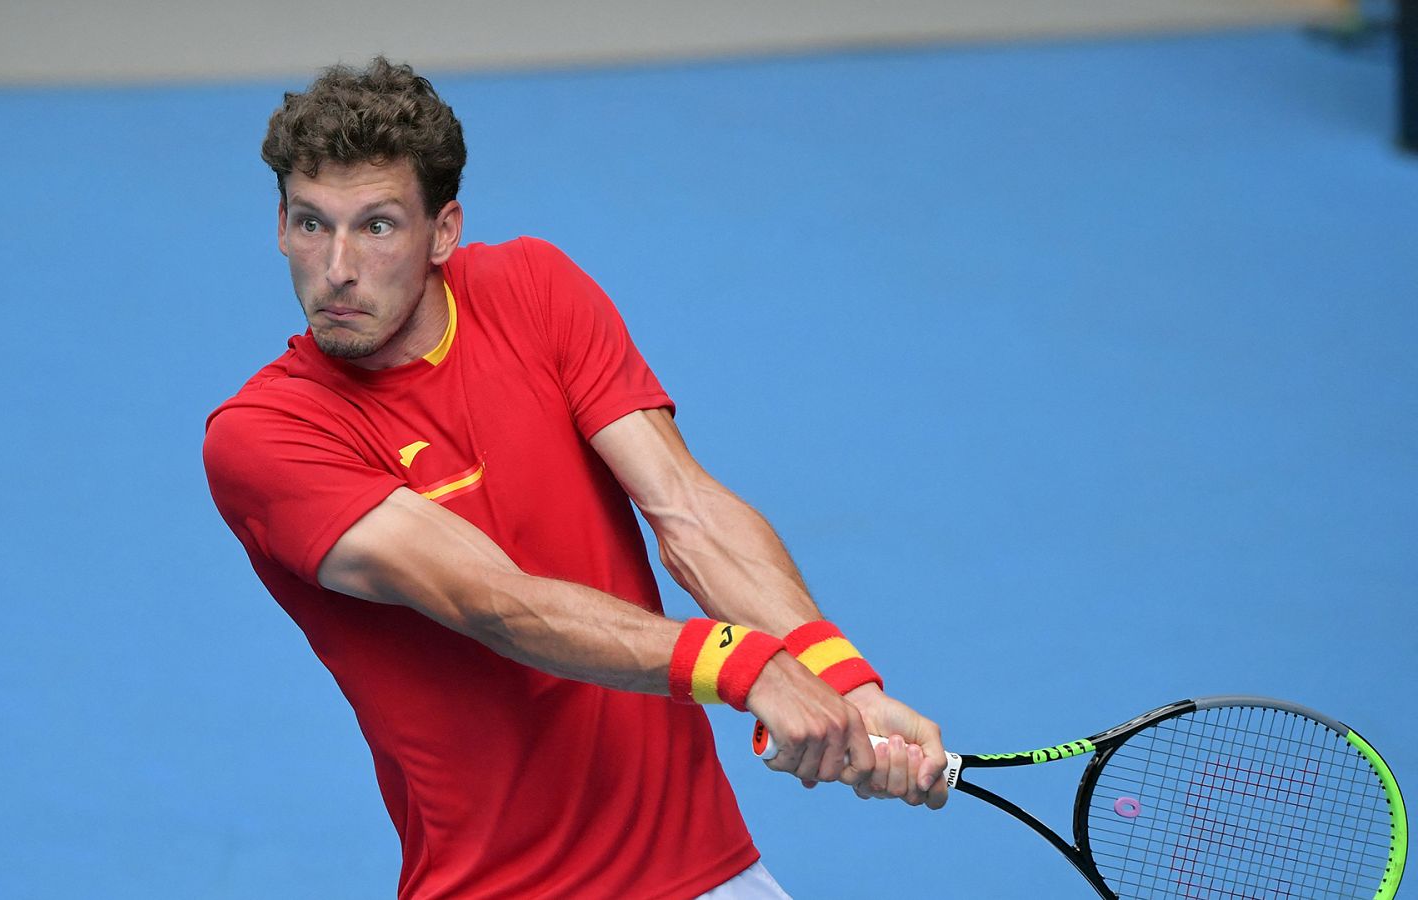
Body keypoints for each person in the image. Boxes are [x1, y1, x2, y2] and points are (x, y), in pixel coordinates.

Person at [203, 57, 948, 900]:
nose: (336, 267)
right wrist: (747, 665)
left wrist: (838, 676)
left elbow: (688, 510)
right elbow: (494, 601)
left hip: (709, 871)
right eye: (311, 223)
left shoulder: (533, 289)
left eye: (376, 226)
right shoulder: (265, 438)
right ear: (279, 224)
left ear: (443, 231)